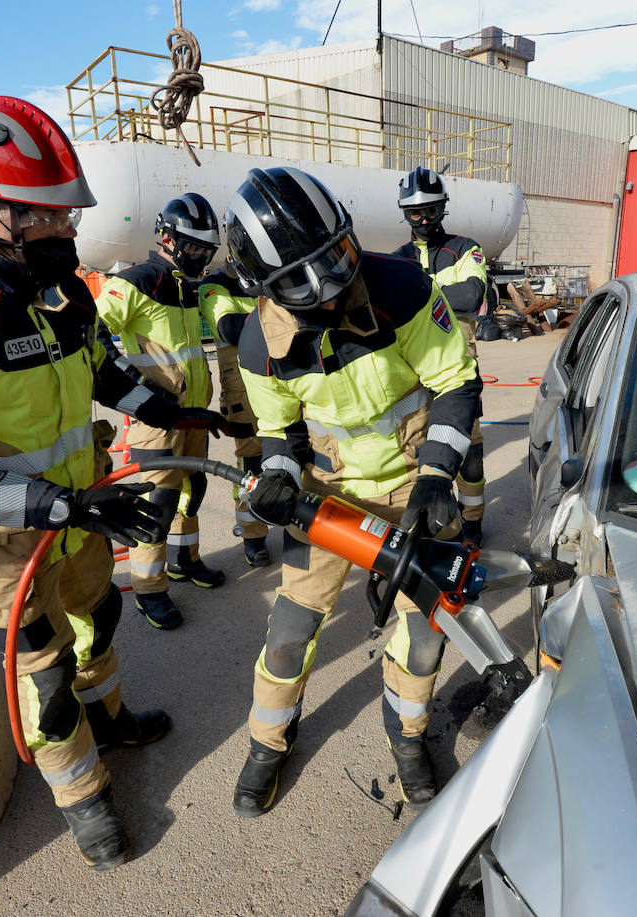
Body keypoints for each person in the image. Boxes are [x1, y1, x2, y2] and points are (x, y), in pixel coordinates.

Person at [0, 96, 223, 872]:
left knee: (99, 617)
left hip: (82, 517)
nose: (69, 231)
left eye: (68, 214)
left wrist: (176, 410)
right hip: (7, 546)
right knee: (47, 676)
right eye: (49, 217)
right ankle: (84, 798)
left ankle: (116, 718)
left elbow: (107, 372)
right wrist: (63, 503)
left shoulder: (67, 294)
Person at [224, 167, 482, 816]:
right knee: (289, 631)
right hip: (329, 497)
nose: (333, 291)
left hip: (412, 485)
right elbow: (278, 433)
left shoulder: (404, 288)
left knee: (424, 634)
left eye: (336, 259)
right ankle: (266, 743)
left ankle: (409, 737)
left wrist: (437, 473)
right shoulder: (261, 344)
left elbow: (456, 379)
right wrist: (280, 478)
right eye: (304, 282)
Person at [96, 194, 230, 630]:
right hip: (156, 420)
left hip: (191, 415)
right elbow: (94, 336)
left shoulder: (188, 287)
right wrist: (138, 393)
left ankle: (184, 560)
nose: (200, 258)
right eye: (193, 249)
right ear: (167, 238)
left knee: (193, 491)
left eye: (206, 251)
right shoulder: (136, 282)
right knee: (157, 505)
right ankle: (149, 589)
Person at [391, 166, 489, 546]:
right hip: (411, 374)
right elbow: (454, 295)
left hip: (459, 372)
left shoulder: (465, 249)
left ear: (442, 208)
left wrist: (417, 294)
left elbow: (471, 297)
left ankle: (474, 519)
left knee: (470, 454)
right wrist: (444, 288)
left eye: (432, 210)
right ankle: (431, 519)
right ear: (405, 213)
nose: (425, 219)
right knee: (419, 448)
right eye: (417, 212)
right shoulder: (397, 259)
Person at [198, 258, 274, 567]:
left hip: (278, 385)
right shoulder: (215, 285)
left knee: (297, 457)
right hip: (243, 397)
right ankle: (253, 537)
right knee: (250, 466)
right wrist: (283, 311)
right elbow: (229, 328)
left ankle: (300, 527)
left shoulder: (268, 278)